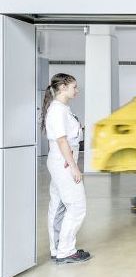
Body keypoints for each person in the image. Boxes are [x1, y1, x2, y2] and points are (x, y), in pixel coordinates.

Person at [41, 73, 91, 264]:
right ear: (63, 87)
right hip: (63, 161)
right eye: (74, 87)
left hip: (62, 159)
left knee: (59, 206)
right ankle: (66, 251)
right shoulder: (57, 110)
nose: (77, 90)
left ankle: (57, 249)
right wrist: (73, 166)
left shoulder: (62, 109)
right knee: (77, 206)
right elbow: (61, 141)